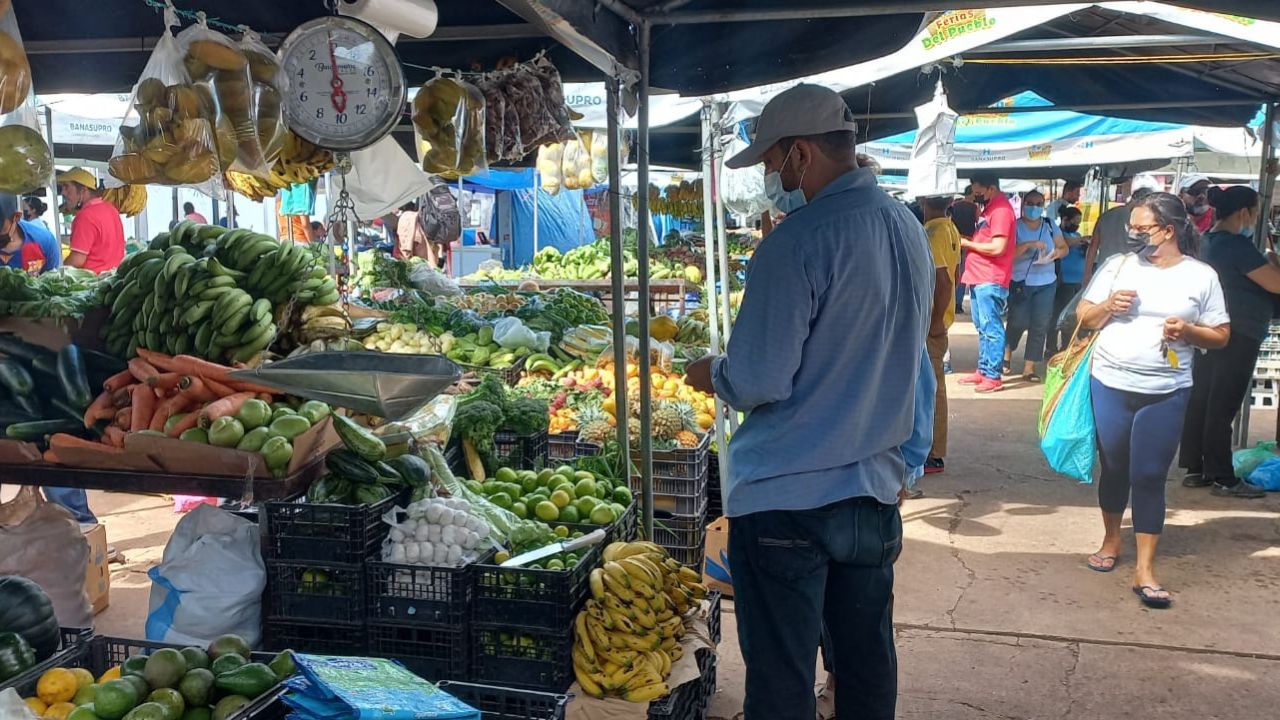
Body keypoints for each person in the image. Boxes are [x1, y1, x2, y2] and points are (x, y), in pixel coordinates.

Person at [681, 83, 934, 720]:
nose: (771, 177)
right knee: (866, 663)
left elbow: (761, 377)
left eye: (772, 163)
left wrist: (712, 373)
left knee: (781, 677)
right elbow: (918, 364)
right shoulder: (906, 227)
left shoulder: (797, 241)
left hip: (787, 499)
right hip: (872, 490)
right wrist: (908, 458)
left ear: (800, 154)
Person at [1075, 192, 1229, 609]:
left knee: (1148, 474)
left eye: (1143, 228)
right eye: (1132, 226)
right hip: (1109, 381)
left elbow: (1220, 335)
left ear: (1169, 229)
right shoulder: (1118, 266)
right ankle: (1111, 540)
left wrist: (1189, 332)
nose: (1134, 233)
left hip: (1167, 390)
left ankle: (1145, 568)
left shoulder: (1201, 276)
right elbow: (1083, 318)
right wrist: (1108, 304)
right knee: (1115, 468)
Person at [1180, 186, 1280, 499]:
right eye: (1254, 212)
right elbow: (1275, 284)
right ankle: (1224, 477)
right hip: (1238, 331)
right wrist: (1274, 259)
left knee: (1204, 398)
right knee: (1223, 405)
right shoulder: (1237, 247)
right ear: (1244, 213)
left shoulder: (1207, 240)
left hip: (1207, 330)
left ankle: (1196, 468)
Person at [958, 171, 1017, 393]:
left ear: (991, 188)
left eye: (978, 192)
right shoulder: (990, 209)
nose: (976, 196)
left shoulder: (1001, 211)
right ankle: (983, 370)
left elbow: (998, 247)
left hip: (990, 277)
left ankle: (993, 375)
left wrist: (968, 244)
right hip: (979, 276)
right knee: (982, 326)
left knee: (991, 327)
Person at [1003, 190, 1066, 381]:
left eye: (1039, 204)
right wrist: (1029, 245)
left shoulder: (1049, 225)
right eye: (1030, 203)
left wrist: (1056, 254)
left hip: (1046, 281)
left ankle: (1029, 367)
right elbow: (1007, 254)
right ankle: (1006, 351)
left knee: (1040, 324)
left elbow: (1063, 247)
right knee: (1017, 321)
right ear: (1023, 204)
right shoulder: (1015, 226)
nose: (1034, 208)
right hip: (1020, 282)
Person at [921, 195, 958, 479]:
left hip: (932, 325)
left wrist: (933, 323)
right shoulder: (948, 227)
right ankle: (932, 450)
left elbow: (943, 281)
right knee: (932, 388)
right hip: (936, 322)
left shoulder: (934, 232)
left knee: (931, 390)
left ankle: (933, 453)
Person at [56, 168, 124, 274]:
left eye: (66, 187)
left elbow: (77, 260)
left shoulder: (85, 216)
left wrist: (57, 273)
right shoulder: (111, 209)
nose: (63, 193)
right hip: (113, 279)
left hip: (93, 283)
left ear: (83, 190)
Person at [1084, 185, 1154, 284]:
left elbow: (1092, 247)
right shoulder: (1140, 221)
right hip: (1128, 273)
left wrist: (1087, 274)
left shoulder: (1106, 216)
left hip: (1104, 270)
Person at [1049, 206, 1086, 353]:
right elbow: (1067, 243)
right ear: (1065, 220)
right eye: (1075, 221)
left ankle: (1066, 346)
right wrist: (1081, 240)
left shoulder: (1076, 234)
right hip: (1064, 281)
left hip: (1078, 281)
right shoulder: (1059, 233)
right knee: (1058, 316)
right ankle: (1051, 347)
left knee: (1071, 318)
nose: (1076, 225)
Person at [950, 188, 979, 316]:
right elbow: (979, 223)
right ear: (973, 194)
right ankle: (958, 303)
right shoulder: (975, 208)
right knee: (962, 274)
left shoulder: (954, 206)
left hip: (955, 241)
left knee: (954, 271)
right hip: (968, 242)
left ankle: (952, 301)